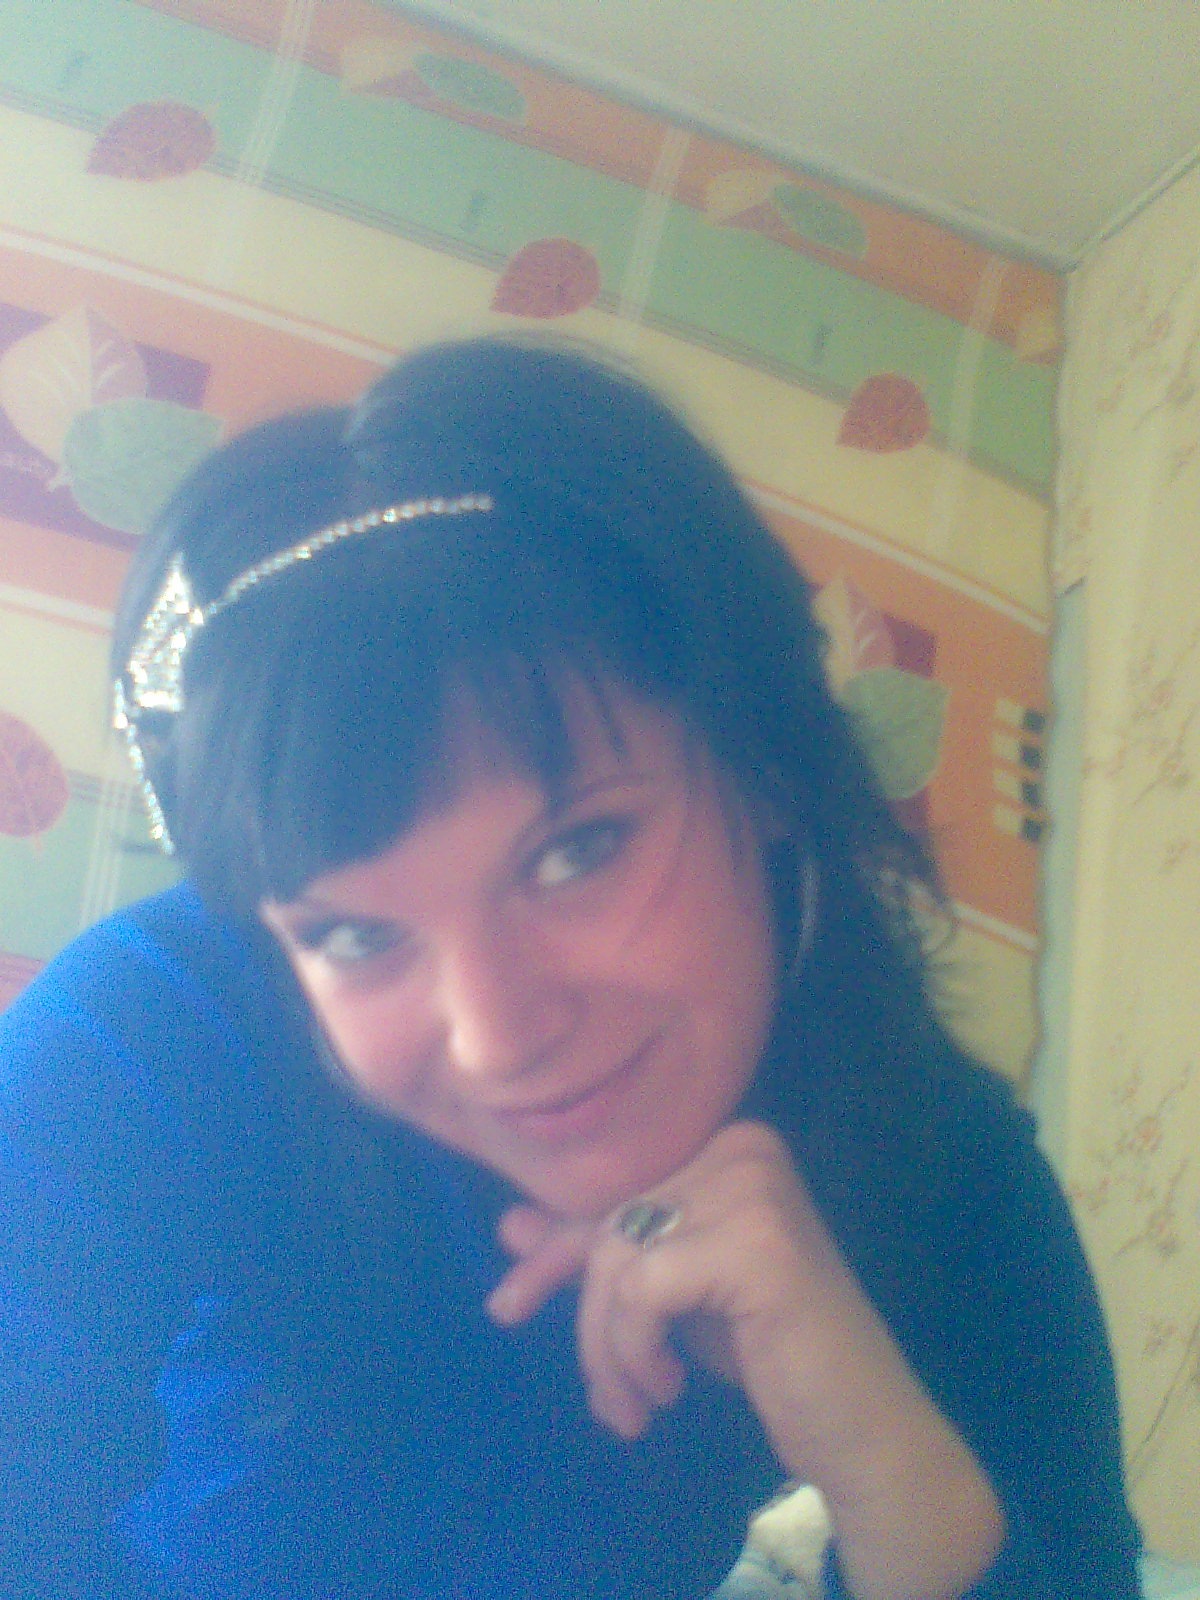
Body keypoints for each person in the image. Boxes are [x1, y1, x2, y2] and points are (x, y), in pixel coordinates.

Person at [0, 337, 1139, 1600]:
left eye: (575, 851)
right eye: (354, 935)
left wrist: (888, 1462)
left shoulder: (950, 1177)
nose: (498, 1035)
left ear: (764, 764)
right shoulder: (142, 1040)